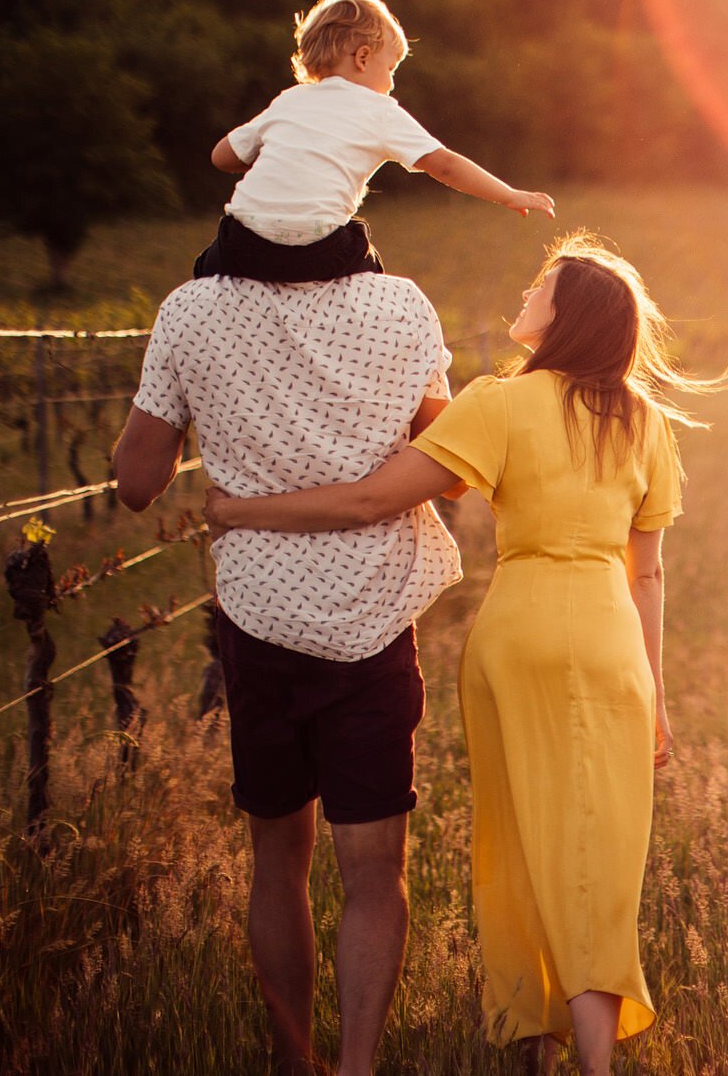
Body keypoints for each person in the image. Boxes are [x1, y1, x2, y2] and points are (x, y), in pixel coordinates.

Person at [206, 235, 728, 1076]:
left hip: (518, 629)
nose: (528, 290)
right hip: (609, 638)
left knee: (518, 833)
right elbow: (649, 572)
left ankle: (530, 1027)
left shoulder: (502, 401)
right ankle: (595, 1059)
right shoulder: (645, 421)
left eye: (545, 283)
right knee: (599, 846)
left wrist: (242, 508)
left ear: (566, 316)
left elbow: (371, 499)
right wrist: (657, 694)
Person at [111, 257, 464, 1075]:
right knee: (375, 867)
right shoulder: (402, 303)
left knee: (279, 853)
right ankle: (356, 1067)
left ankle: (290, 1061)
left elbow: (135, 481)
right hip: (375, 616)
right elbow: (446, 450)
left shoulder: (191, 310)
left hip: (260, 619)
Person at [195, 0, 555, 283]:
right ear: (363, 58)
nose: (393, 81)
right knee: (364, 255)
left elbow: (221, 157)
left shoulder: (288, 100)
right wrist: (508, 194)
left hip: (243, 246)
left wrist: (277, 157)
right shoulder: (379, 110)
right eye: (392, 67)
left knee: (207, 262)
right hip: (319, 251)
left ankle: (204, 299)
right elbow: (443, 164)